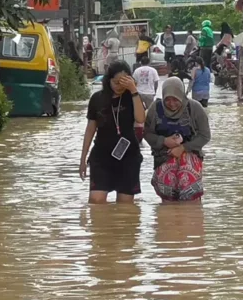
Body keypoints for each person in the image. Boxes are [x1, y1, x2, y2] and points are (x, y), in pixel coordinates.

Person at [80, 61, 146, 204]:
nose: (119, 86)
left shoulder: (132, 97)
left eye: (123, 82)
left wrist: (134, 91)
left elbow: (141, 119)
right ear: (108, 80)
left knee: (125, 206)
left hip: (128, 157)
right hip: (102, 157)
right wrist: (83, 158)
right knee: (96, 201)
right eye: (116, 82)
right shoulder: (97, 99)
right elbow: (90, 129)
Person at [145, 77, 211, 202]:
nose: (171, 103)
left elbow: (205, 136)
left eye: (175, 99)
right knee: (168, 195)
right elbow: (147, 133)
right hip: (164, 155)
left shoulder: (195, 108)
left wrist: (183, 148)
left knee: (189, 193)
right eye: (167, 100)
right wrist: (163, 141)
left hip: (190, 154)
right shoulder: (155, 108)